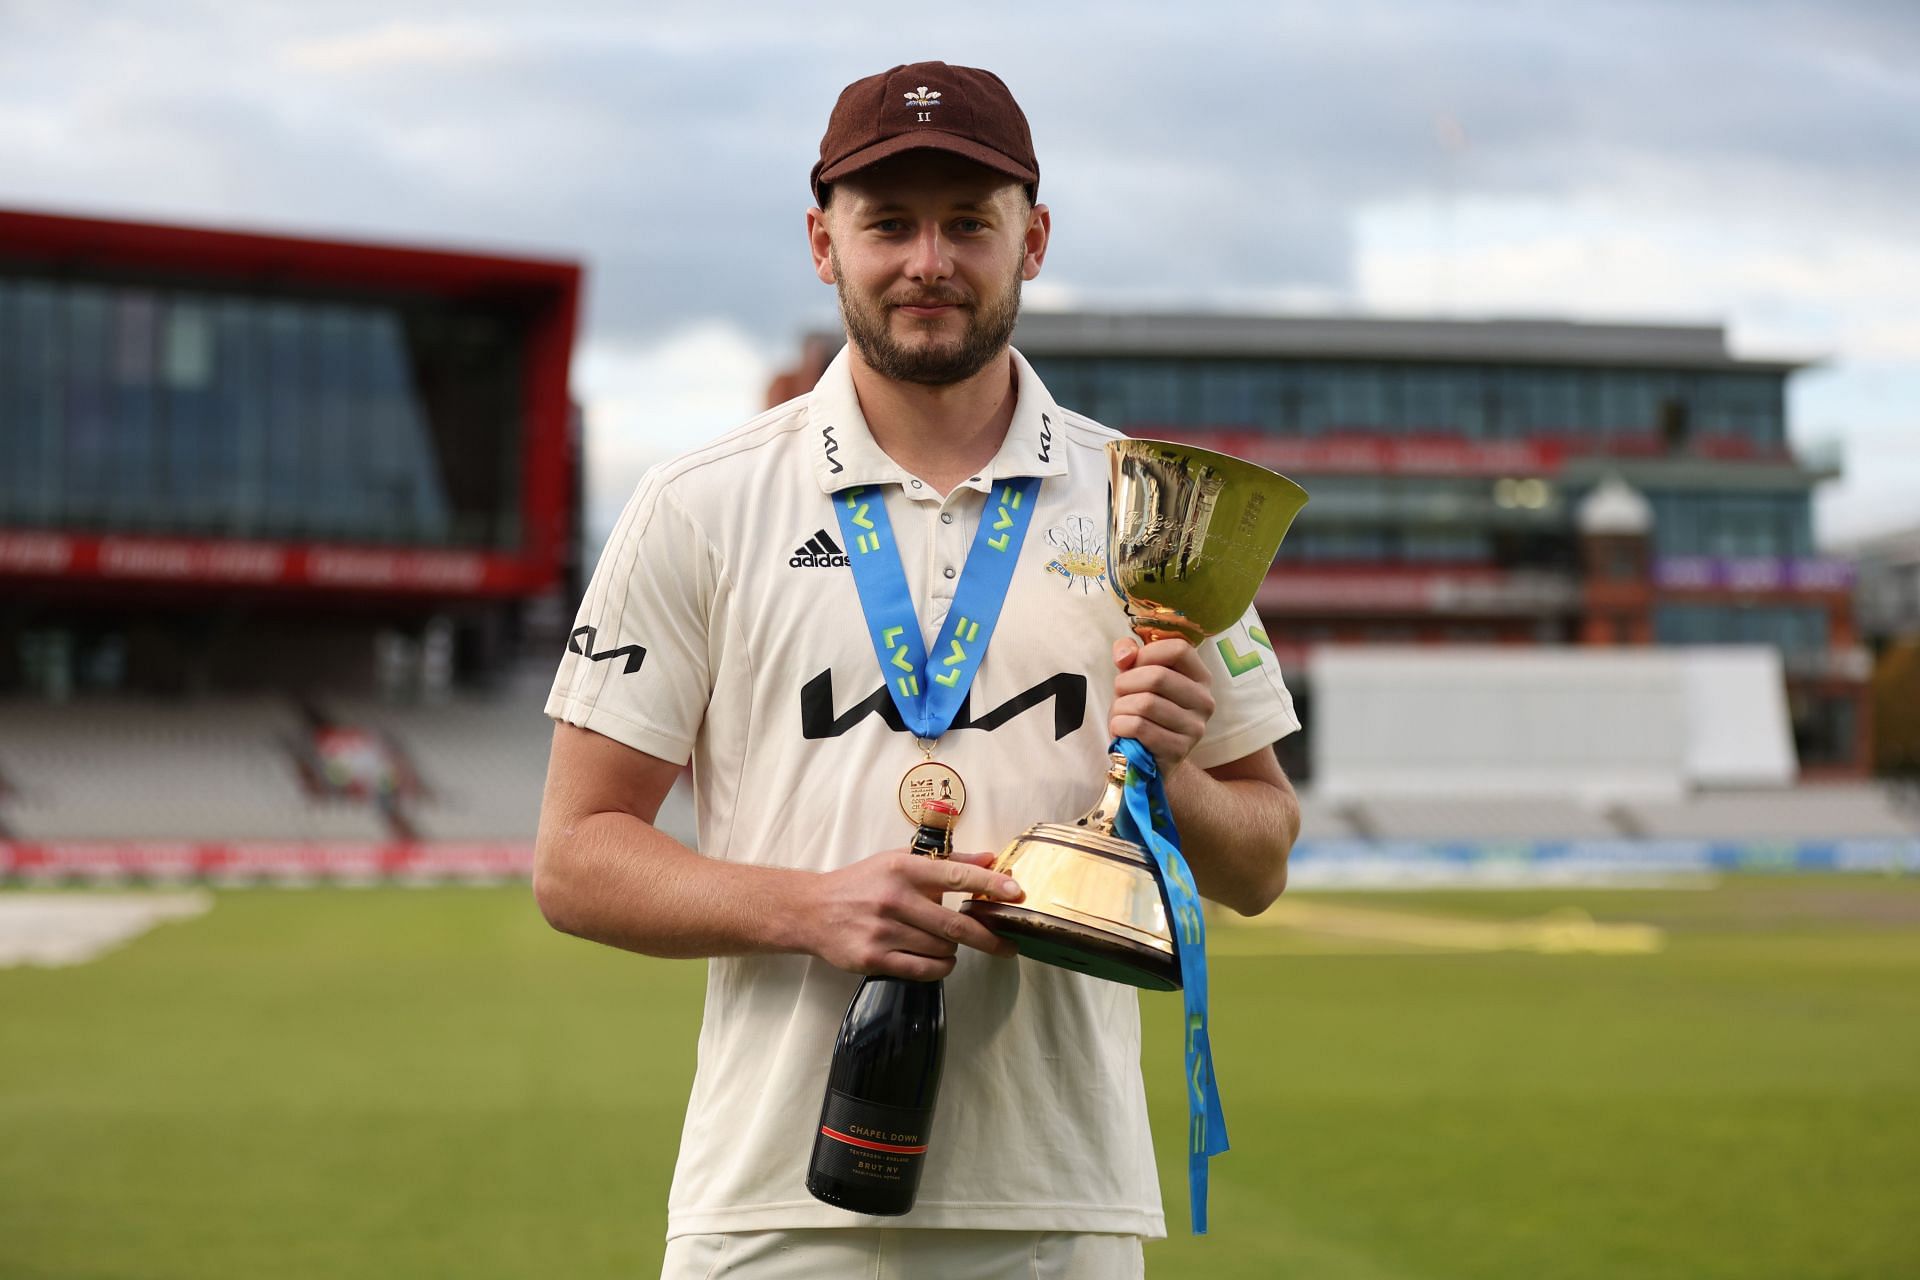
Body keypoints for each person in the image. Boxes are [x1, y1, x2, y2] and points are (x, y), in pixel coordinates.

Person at [536, 59, 1302, 1280]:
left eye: (969, 223)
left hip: (1059, 1206)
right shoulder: (699, 504)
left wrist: (1177, 777)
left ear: (1034, 239)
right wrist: (810, 906)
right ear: (822, 241)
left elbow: (1259, 860)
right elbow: (575, 857)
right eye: (888, 222)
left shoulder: (1148, 508)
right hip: (772, 1212)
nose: (927, 260)